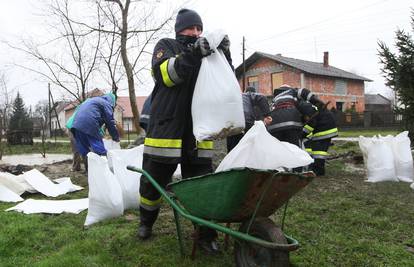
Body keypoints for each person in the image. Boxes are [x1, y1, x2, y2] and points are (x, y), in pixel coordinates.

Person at [138, 8, 232, 254]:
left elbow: (225, 79)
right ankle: (146, 222)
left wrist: (225, 53)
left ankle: (205, 235)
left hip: (199, 132)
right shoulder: (166, 45)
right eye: (191, 28)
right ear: (180, 29)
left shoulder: (208, 53)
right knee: (153, 183)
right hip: (166, 130)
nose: (196, 33)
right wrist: (194, 53)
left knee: (202, 187)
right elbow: (168, 75)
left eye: (199, 29)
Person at [67, 93, 119, 168]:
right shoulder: (106, 104)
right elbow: (110, 122)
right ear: (112, 102)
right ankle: (105, 170)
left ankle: (90, 173)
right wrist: (115, 137)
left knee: (85, 151)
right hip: (89, 123)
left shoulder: (93, 101)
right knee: (99, 148)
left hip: (76, 126)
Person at [227, 86, 272, 152]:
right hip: (246, 121)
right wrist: (267, 115)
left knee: (233, 148)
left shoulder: (232, 98)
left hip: (232, 123)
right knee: (248, 146)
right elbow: (262, 97)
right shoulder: (247, 95)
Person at [302, 103, 338, 176]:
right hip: (327, 130)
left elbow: (310, 125)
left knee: (318, 153)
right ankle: (319, 170)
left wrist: (302, 134)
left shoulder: (309, 111)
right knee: (320, 153)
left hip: (323, 132)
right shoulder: (313, 108)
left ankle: (318, 171)